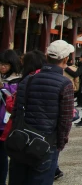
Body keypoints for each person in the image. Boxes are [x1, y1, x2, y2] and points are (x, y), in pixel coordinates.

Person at [8, 41, 74, 184]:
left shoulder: (28, 79)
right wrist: (60, 143)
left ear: (46, 56)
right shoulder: (65, 84)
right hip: (46, 141)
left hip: (21, 138)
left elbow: (17, 110)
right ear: (66, 59)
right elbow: (65, 119)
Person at [0, 50, 22, 183]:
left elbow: (13, 98)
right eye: (1, 64)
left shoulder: (17, 80)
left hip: (6, 123)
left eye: (6, 65)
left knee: (3, 157)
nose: (2, 67)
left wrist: (3, 87)